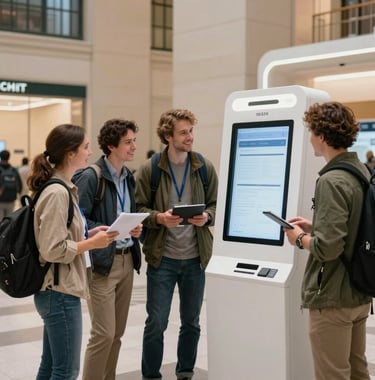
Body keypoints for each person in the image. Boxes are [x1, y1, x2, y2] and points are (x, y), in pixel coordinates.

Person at [284, 102, 372, 380]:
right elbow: (354, 225)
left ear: (321, 136)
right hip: (359, 292)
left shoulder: (331, 180)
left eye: (311, 132)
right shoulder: (361, 172)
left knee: (332, 375)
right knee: (357, 371)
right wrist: (317, 225)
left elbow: (329, 247)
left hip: (333, 296)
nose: (309, 138)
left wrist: (300, 239)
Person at [28, 124, 119, 380]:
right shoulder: (57, 192)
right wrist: (92, 244)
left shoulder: (63, 187)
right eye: (86, 147)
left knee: (50, 367)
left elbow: (60, 236)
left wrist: (88, 234)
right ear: (70, 153)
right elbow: (52, 249)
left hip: (55, 290)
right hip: (59, 293)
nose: (90, 152)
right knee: (66, 371)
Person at [135, 108, 218, 380]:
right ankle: (150, 375)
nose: (190, 137)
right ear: (168, 136)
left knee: (191, 323)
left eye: (191, 131)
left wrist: (206, 217)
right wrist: (158, 218)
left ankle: (185, 372)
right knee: (156, 322)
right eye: (184, 132)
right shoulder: (151, 169)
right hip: (163, 259)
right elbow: (138, 208)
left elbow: (217, 206)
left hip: (196, 258)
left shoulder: (204, 167)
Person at [74, 118, 142, 380]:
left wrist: (135, 228)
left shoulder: (129, 177)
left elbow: (128, 213)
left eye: (134, 140)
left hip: (126, 260)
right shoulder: (92, 176)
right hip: (102, 262)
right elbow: (78, 220)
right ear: (111, 146)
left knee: (116, 334)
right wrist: (103, 228)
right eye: (128, 142)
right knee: (102, 333)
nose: (134, 146)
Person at [0, 149, 22, 219]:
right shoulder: (13, 170)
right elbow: (20, 185)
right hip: (11, 199)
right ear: (9, 157)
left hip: (0, 200)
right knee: (8, 222)